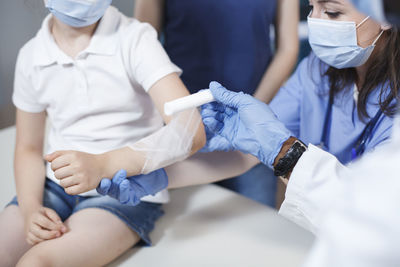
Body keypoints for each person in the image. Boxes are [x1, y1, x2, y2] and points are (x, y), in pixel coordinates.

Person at [98, 0, 400, 266]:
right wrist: (162, 177)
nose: (317, 22)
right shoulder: (316, 71)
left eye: (332, 12)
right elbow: (247, 153)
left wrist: (285, 154)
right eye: (311, 9)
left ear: (386, 11)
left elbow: (379, 222)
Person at [0, 0, 205, 266]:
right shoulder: (32, 56)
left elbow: (189, 128)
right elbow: (28, 147)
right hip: (55, 186)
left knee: (37, 263)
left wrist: (103, 164)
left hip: (125, 190)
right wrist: (30, 209)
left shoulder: (135, 39)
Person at [133, 0, 299, 206]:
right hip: (181, 127)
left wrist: (251, 114)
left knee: (253, 221)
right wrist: (182, 122)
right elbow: (141, 46)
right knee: (186, 223)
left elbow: (288, 49)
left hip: (251, 129)